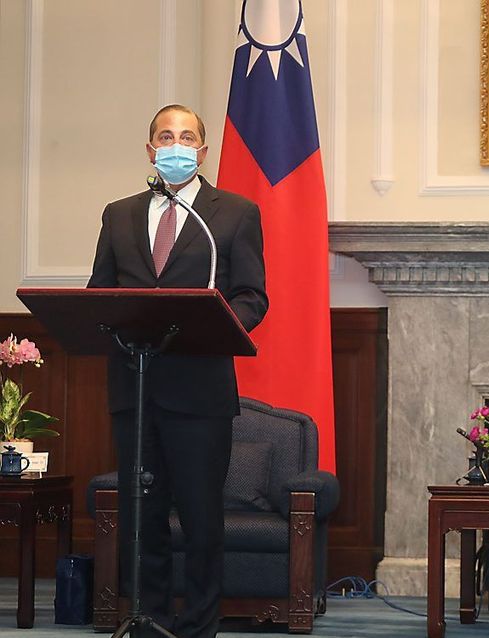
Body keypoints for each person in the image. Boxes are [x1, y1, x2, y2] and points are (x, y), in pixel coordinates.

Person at [88, 104, 268, 638]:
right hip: (135, 389)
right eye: (165, 136)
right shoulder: (118, 214)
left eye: (186, 137)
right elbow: (100, 292)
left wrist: (217, 327)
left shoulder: (234, 213)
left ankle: (198, 628)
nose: (176, 144)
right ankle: (149, 622)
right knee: (142, 521)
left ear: (202, 150)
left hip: (200, 392)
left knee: (200, 519)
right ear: (150, 150)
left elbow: (252, 297)